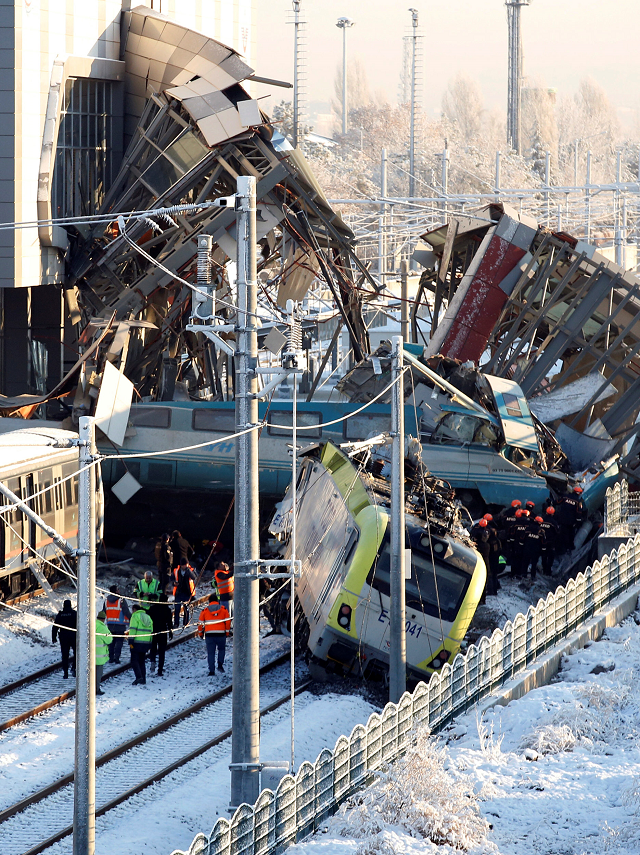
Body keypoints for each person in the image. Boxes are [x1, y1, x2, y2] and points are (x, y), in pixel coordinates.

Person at [197, 593, 231, 675]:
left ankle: (211, 671)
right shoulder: (223, 609)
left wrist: (201, 634)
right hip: (221, 634)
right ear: (217, 601)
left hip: (209, 635)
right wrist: (227, 632)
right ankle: (220, 664)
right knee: (221, 649)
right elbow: (228, 621)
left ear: (209, 601)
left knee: (211, 653)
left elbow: (200, 624)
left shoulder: (205, 611)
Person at [103, 584, 130, 664]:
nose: (119, 591)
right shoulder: (121, 600)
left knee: (111, 642)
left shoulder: (106, 600)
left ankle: (111, 658)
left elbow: (104, 612)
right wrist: (132, 618)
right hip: (120, 625)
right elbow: (126, 611)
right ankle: (117, 658)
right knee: (119, 642)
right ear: (115, 591)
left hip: (110, 624)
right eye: (118, 589)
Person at [148, 593, 173, 676]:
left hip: (154, 630)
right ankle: (160, 669)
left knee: (153, 649)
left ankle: (152, 661)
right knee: (162, 651)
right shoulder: (167, 610)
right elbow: (169, 623)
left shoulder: (153, 608)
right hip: (163, 631)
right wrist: (170, 632)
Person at [128, 603, 153, 685]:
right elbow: (151, 631)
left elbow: (133, 629)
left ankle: (139, 677)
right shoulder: (148, 617)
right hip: (146, 643)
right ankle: (143, 679)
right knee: (142, 661)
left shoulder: (135, 616)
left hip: (136, 642)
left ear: (135, 609)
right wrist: (150, 643)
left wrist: (130, 640)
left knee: (134, 660)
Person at [52, 599, 77, 679]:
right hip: (74, 636)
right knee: (76, 653)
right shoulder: (74, 614)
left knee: (65, 655)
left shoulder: (60, 615)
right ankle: (74, 668)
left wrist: (54, 637)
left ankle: (65, 673)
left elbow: (55, 626)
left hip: (64, 637)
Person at [470, 518, 492, 602]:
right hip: (485, 566)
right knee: (483, 583)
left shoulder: (476, 545)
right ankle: (483, 599)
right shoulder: (487, 545)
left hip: (479, 565)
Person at [173, 561, 196, 628]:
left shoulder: (191, 570)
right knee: (177, 609)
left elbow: (194, 577)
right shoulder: (176, 571)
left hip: (187, 593)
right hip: (178, 593)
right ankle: (176, 623)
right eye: (183, 565)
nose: (185, 566)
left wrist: (189, 571)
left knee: (186, 609)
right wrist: (174, 583)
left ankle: (185, 623)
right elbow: (171, 578)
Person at [95, 611, 113, 695]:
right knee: (98, 674)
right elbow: (109, 640)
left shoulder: (90, 624)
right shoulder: (103, 628)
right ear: (103, 619)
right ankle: (96, 689)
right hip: (99, 656)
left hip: (88, 656)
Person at [538, 506, 559, 575]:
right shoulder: (553, 522)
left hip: (542, 541)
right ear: (553, 513)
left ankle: (544, 569)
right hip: (551, 542)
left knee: (543, 555)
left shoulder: (541, 520)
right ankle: (548, 571)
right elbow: (557, 532)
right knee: (550, 556)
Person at [523, 515, 544, 581]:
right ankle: (533, 576)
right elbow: (543, 541)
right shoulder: (541, 532)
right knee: (534, 563)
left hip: (527, 548)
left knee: (525, 562)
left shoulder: (528, 529)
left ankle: (524, 574)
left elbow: (523, 537)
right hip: (536, 550)